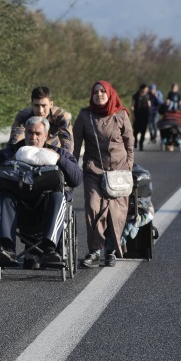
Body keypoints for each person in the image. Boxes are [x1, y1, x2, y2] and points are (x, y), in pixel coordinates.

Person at [0, 116, 83, 269]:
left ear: (47, 135)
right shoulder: (9, 153)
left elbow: (76, 179)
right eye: (30, 133)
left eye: (38, 134)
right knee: (5, 196)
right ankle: (7, 248)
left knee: (58, 195)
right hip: (19, 209)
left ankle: (50, 249)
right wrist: (11, 162)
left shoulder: (58, 153)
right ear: (25, 133)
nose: (33, 137)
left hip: (47, 210)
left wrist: (58, 159)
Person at [73, 81, 134, 268]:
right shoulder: (85, 116)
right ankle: (95, 251)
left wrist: (128, 167)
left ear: (109, 93)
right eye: (95, 92)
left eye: (102, 91)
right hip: (94, 170)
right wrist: (71, 169)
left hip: (119, 171)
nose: (99, 94)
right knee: (93, 207)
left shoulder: (121, 114)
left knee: (115, 213)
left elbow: (129, 144)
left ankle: (111, 250)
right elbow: (75, 147)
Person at [8, 86, 74, 153]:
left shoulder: (60, 116)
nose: (40, 111)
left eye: (44, 105)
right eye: (36, 105)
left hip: (53, 151)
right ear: (31, 104)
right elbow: (14, 141)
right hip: (29, 151)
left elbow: (67, 143)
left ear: (51, 104)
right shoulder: (23, 116)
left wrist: (63, 159)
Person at [130, 84, 151, 151]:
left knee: (143, 131)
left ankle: (141, 144)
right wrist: (133, 115)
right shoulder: (135, 96)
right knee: (135, 131)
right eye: (145, 89)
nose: (146, 90)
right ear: (142, 89)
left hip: (145, 116)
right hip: (137, 115)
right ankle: (135, 140)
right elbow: (132, 106)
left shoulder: (147, 96)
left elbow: (149, 105)